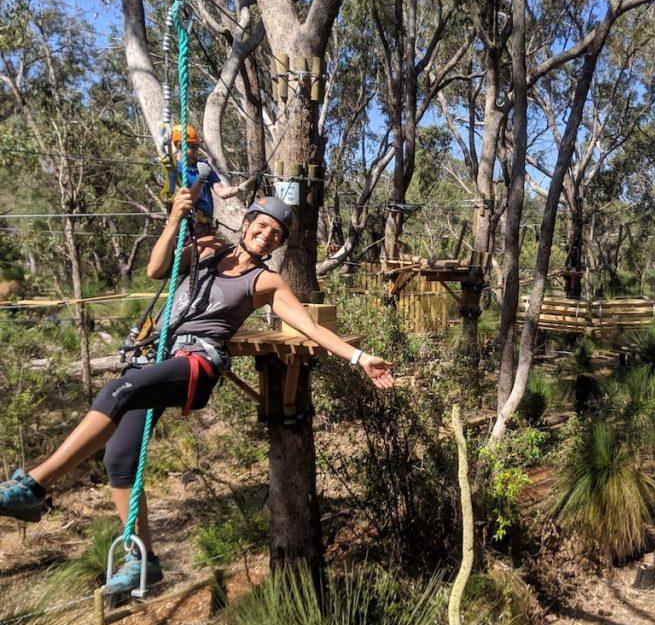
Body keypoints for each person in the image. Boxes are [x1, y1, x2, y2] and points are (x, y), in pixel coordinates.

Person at [0, 192, 395, 595]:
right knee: (119, 457)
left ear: (279, 244)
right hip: (157, 357)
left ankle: (34, 486)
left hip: (198, 363)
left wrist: (359, 357)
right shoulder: (205, 250)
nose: (266, 236)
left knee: (120, 389)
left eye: (275, 235)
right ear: (246, 224)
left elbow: (312, 329)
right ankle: (143, 562)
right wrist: (174, 218)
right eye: (261, 227)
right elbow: (156, 270)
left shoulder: (266, 281)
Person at [164, 124, 244, 236]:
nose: (197, 150)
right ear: (179, 145)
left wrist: (241, 188)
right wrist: (201, 178)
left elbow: (221, 192)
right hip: (188, 225)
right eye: (193, 147)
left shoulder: (202, 166)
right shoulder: (174, 170)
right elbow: (186, 201)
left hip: (206, 225)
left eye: (197, 146)